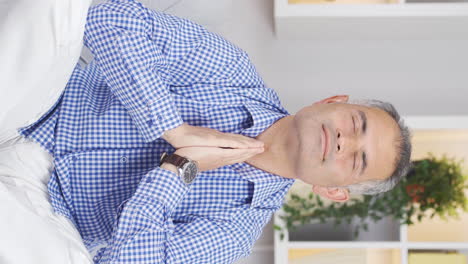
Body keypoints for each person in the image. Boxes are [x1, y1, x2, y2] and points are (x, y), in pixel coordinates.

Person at [17, 0, 411, 263]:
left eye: (357, 160)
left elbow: (134, 260)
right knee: (60, 8)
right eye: (355, 123)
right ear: (331, 102)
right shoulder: (232, 71)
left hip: (40, 205)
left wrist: (177, 169)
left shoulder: (234, 232)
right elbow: (110, 19)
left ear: (333, 192)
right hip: (41, 96)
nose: (345, 140)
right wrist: (172, 128)